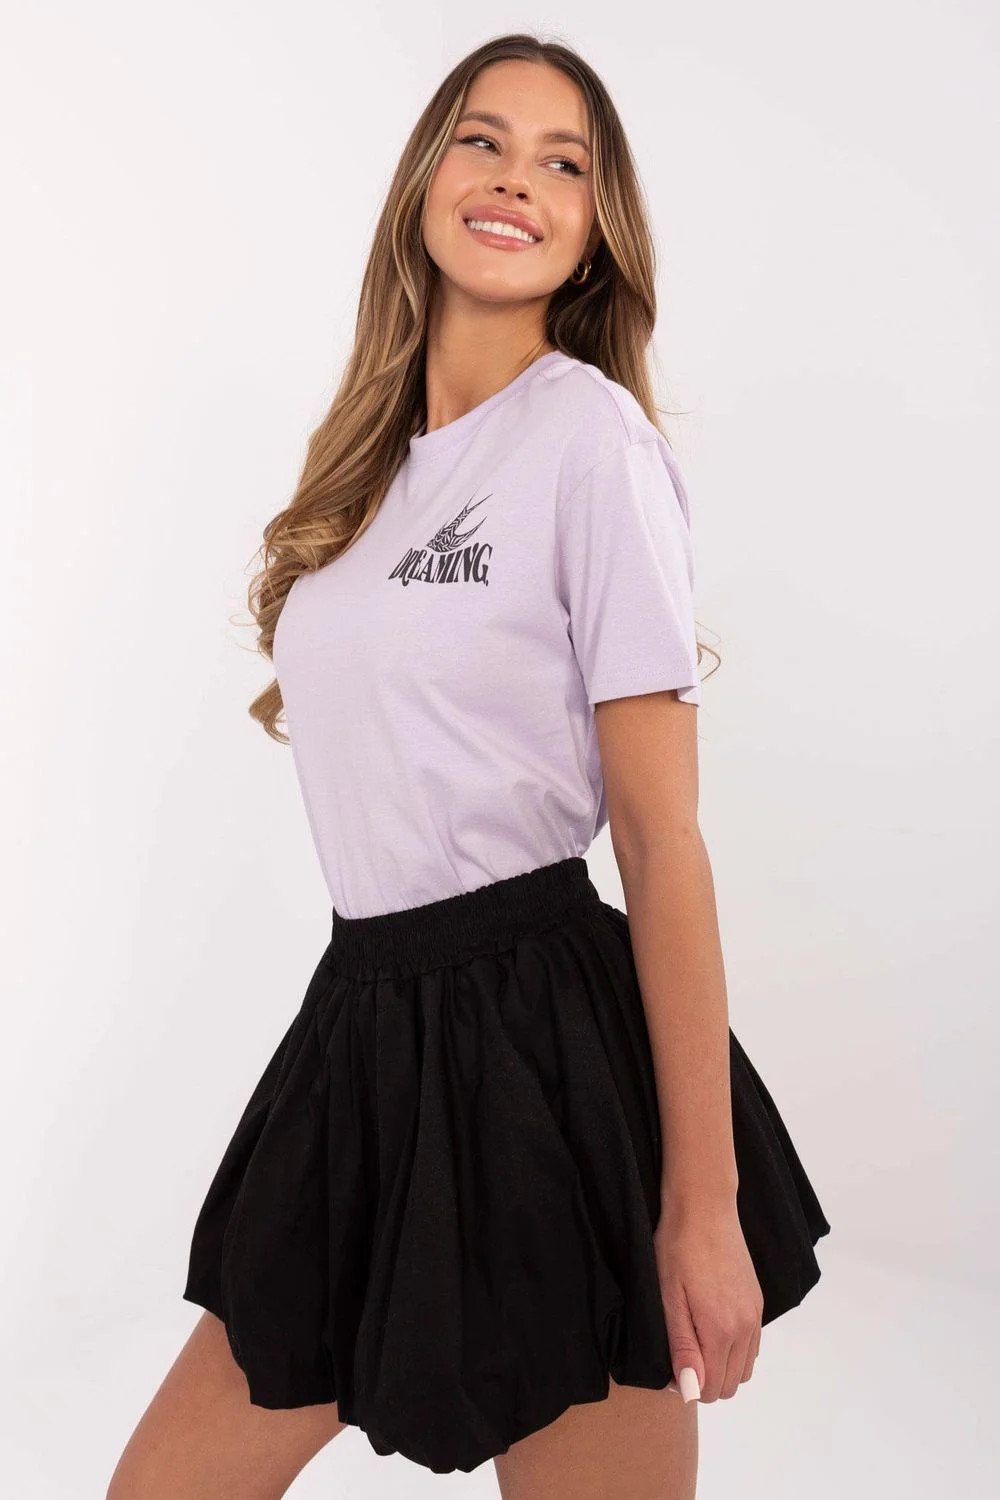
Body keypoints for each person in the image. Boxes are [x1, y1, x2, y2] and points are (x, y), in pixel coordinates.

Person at [107, 31, 830, 1500]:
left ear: (595, 230)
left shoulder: (590, 440)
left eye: (564, 163)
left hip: (542, 1039)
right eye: (483, 141)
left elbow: (660, 838)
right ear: (425, 178)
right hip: (363, 1022)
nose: (516, 181)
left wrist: (702, 1206)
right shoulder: (368, 470)